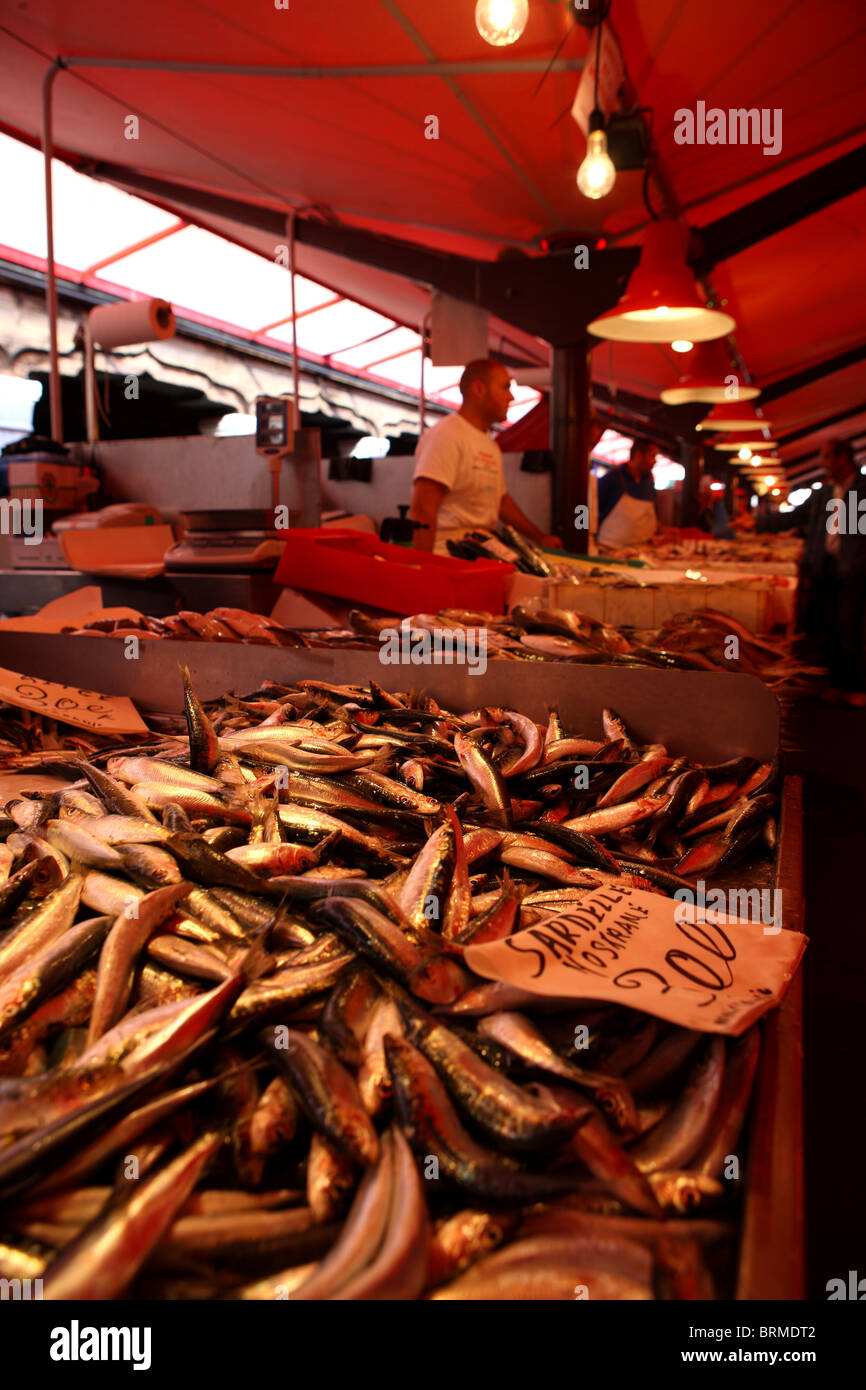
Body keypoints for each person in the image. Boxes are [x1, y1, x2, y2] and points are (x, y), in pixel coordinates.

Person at [409, 359, 563, 554]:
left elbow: (500, 501)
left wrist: (538, 537)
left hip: (481, 550)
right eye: (505, 387)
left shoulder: (490, 445)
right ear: (479, 389)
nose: (511, 397)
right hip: (447, 554)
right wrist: (422, 566)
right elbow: (423, 510)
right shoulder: (446, 435)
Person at [758, 437, 866, 706]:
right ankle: (831, 684)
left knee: (847, 626)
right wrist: (756, 523)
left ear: (843, 458)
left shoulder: (862, 492)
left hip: (854, 570)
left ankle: (855, 686)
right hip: (823, 568)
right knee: (824, 626)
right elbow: (793, 517)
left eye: (827, 457)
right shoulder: (824, 494)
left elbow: (859, 535)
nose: (822, 463)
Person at [595, 438, 660, 547]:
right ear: (639, 455)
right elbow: (588, 510)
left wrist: (665, 530)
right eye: (652, 456)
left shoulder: (649, 484)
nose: (655, 461)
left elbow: (653, 519)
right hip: (609, 548)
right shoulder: (612, 478)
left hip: (641, 550)